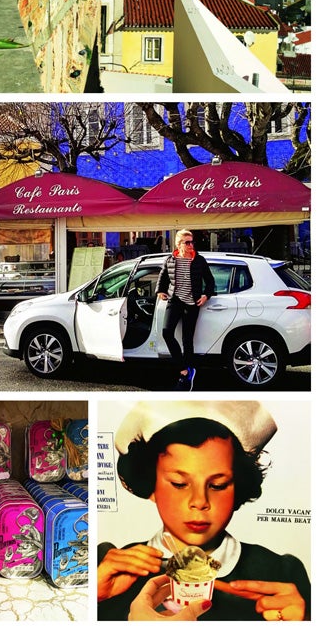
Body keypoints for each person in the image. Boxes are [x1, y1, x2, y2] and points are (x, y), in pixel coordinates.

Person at [98, 401, 309, 621]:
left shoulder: (281, 573)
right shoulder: (108, 570)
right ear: (151, 486)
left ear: (238, 488)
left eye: (217, 485)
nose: (199, 502)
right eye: (179, 484)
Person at [157, 229, 215, 391]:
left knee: (187, 339)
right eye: (187, 242)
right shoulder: (170, 259)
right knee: (167, 333)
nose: (191, 245)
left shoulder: (199, 260)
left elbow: (210, 281)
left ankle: (188, 374)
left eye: (192, 242)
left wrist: (206, 295)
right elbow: (162, 277)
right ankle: (183, 369)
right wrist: (160, 291)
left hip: (192, 303)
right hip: (175, 301)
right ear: (178, 244)